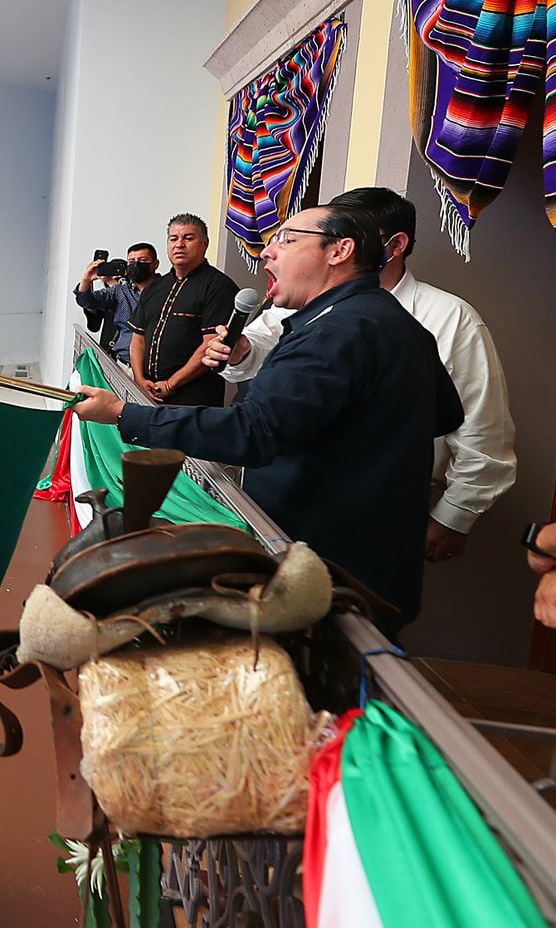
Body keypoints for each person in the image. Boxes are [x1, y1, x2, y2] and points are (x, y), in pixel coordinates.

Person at [76, 204, 462, 628]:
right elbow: (444, 413)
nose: (267, 253)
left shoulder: (335, 333)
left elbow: (252, 431)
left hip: (326, 574)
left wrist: (123, 415)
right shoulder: (392, 321)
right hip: (377, 563)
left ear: (340, 250)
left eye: (287, 239)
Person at [210, 187, 516, 564]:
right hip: (285, 499)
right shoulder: (305, 299)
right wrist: (240, 351)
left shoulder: (451, 319)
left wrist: (453, 517)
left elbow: (481, 429)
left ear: (395, 244)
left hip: (377, 509)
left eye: (352, 235)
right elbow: (257, 348)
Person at [125, 213, 240, 406]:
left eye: (188, 238)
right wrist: (139, 379)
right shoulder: (155, 286)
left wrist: (170, 385)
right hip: (147, 394)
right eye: (173, 238)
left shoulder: (219, 286)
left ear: (204, 244)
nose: (179, 244)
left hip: (193, 400)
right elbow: (138, 339)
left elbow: (211, 345)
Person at [74, 243, 158, 363]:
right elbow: (86, 300)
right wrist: (86, 279)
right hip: (123, 363)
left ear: (155, 264)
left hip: (153, 366)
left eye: (142, 260)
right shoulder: (120, 291)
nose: (136, 264)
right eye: (132, 261)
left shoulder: (165, 289)